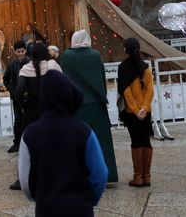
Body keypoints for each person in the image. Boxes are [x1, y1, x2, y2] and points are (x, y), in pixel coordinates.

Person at [18, 70, 109, 216]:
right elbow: (100, 174)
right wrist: (89, 199)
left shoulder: (29, 135)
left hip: (46, 208)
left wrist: (40, 197)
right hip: (80, 209)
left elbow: (25, 180)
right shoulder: (84, 132)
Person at [60, 29, 119, 184]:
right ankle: (107, 174)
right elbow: (102, 78)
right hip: (95, 104)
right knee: (101, 141)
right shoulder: (95, 55)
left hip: (76, 105)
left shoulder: (67, 56)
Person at [11, 42, 61, 190]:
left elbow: (19, 89)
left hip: (31, 109)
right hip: (50, 108)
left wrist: (23, 105)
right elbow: (63, 85)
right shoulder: (53, 66)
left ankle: (22, 179)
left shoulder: (26, 68)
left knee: (27, 144)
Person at [116, 37, 153, 188]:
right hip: (146, 111)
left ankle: (137, 177)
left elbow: (126, 91)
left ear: (126, 49)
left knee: (136, 141)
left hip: (132, 113)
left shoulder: (123, 67)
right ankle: (147, 177)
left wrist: (137, 110)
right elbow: (150, 90)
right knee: (146, 141)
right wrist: (144, 107)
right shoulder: (145, 67)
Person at [3, 40, 30, 153]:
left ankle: (28, 143)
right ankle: (17, 143)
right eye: (18, 51)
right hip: (16, 97)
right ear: (15, 52)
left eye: (22, 51)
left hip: (28, 97)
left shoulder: (30, 62)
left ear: (26, 50)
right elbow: (6, 79)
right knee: (18, 120)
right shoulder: (12, 64)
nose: (20, 54)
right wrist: (12, 91)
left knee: (28, 119)